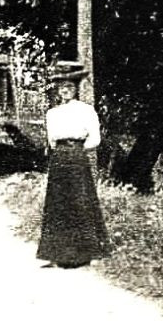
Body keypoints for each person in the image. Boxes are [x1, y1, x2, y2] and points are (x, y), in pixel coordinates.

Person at [38, 60, 109, 269]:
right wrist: (61, 152)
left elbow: (95, 138)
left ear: (76, 88)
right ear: (58, 90)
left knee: (81, 202)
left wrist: (77, 150)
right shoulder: (52, 113)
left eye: (70, 87)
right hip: (59, 157)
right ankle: (56, 253)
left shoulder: (86, 110)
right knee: (57, 204)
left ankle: (87, 253)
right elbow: (51, 140)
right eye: (62, 87)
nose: (66, 91)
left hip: (78, 156)